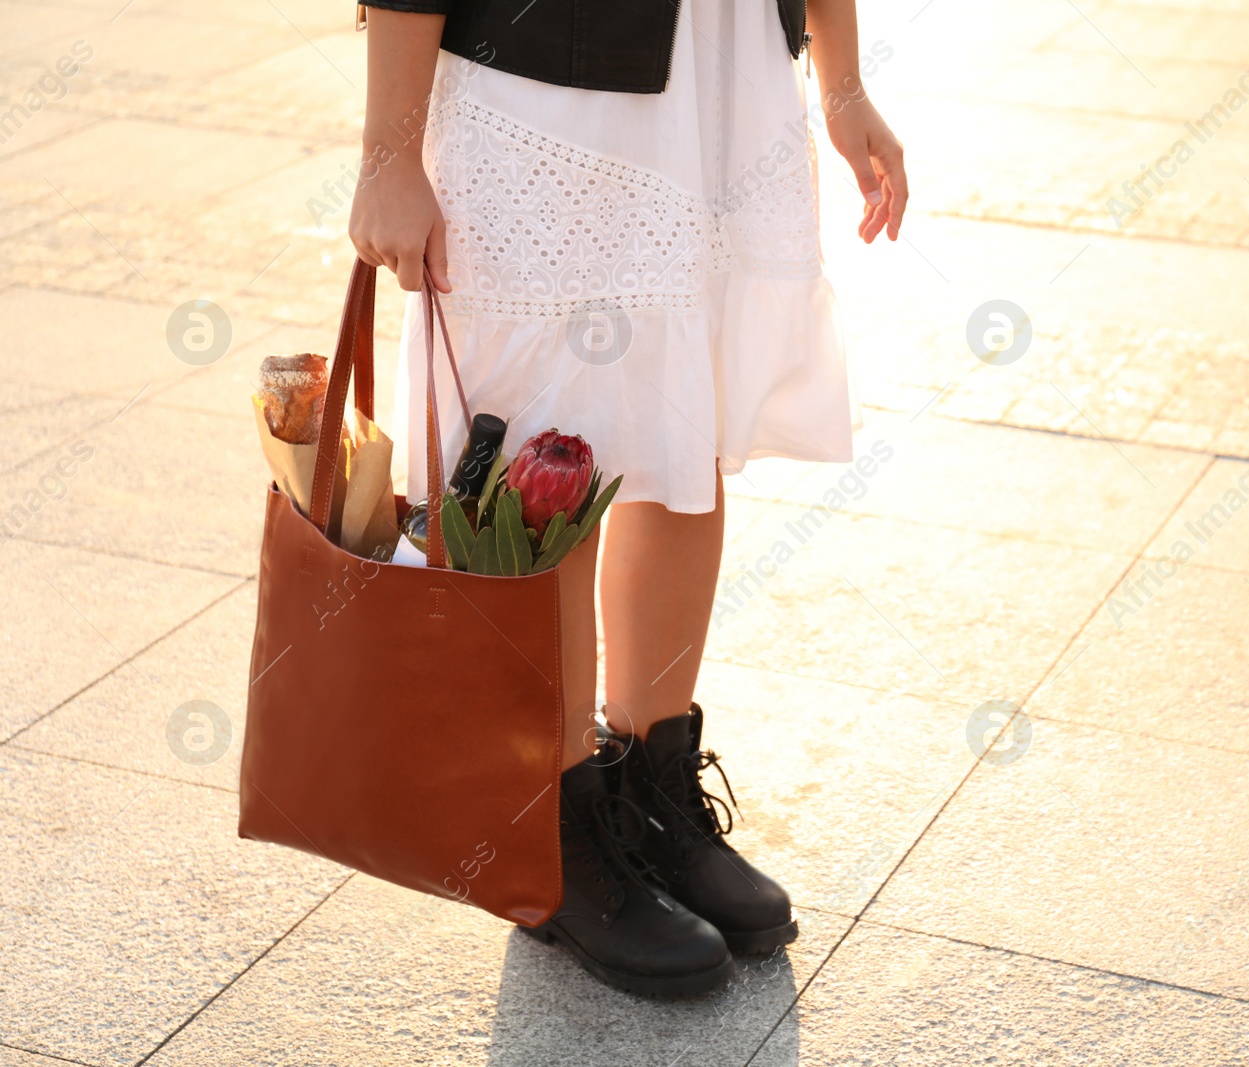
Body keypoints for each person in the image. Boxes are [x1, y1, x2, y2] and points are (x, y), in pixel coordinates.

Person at [349, 0, 907, 998]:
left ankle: (650, 792)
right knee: (543, 467)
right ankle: (556, 829)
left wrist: (845, 81)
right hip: (544, 77)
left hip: (727, 65)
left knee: (684, 443)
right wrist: (388, 150)